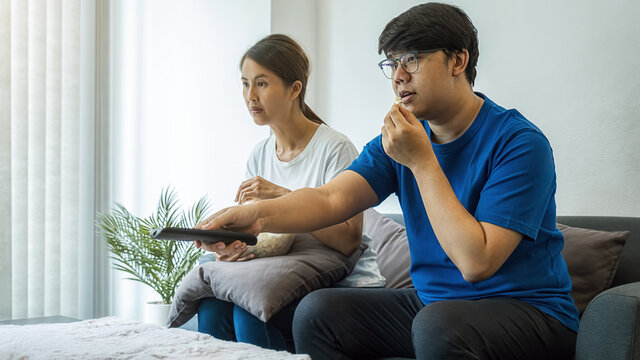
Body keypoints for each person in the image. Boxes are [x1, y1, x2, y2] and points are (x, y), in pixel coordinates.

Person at [197, 3, 580, 359]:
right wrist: (257, 217)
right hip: (435, 304)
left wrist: (423, 162)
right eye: (391, 63)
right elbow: (331, 199)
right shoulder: (397, 142)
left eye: (411, 60)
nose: (398, 77)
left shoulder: (518, 143)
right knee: (319, 311)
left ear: (458, 61)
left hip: (529, 312)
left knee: (439, 325)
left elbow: (476, 261)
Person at [194, 34, 385, 352]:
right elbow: (261, 236)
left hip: (344, 283)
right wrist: (233, 248)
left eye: (262, 83)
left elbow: (348, 241)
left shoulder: (334, 148)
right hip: (281, 276)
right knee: (212, 308)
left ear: (295, 89)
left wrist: (281, 197)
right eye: (245, 83)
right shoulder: (260, 155)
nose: (250, 96)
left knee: (252, 313)